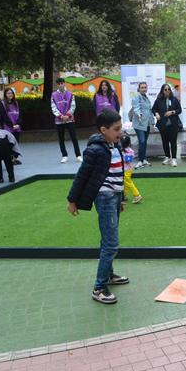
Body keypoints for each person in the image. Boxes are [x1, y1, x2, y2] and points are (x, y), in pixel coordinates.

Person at [67, 110, 129, 304]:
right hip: (104, 198)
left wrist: (122, 199)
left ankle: (109, 274)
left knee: (107, 239)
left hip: (115, 197)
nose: (120, 133)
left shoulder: (114, 144)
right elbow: (82, 175)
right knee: (111, 243)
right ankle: (99, 287)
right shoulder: (95, 150)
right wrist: (72, 200)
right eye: (116, 129)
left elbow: (118, 174)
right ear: (103, 130)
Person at [51, 78, 82, 163]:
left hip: (70, 120)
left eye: (62, 83)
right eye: (59, 83)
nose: (61, 85)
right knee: (61, 139)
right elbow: (53, 107)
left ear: (64, 83)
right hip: (59, 120)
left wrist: (67, 116)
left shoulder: (70, 94)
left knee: (74, 138)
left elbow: (73, 106)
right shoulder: (53, 95)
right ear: (57, 85)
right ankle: (64, 156)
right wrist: (61, 116)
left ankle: (78, 155)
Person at [152, 83, 182, 167]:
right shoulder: (158, 100)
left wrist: (172, 112)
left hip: (173, 124)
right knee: (165, 142)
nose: (167, 91)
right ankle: (167, 157)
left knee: (173, 141)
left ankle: (174, 159)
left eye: (168, 89)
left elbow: (179, 110)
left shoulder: (174, 99)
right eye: (165, 89)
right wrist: (156, 114)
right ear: (162, 90)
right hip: (162, 124)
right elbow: (153, 109)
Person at [131, 82, 152, 168]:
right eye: (142, 87)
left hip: (146, 124)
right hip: (139, 124)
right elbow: (136, 107)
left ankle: (143, 159)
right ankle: (140, 161)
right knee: (142, 141)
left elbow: (149, 111)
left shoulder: (147, 98)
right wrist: (139, 114)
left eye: (145, 87)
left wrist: (152, 123)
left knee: (144, 142)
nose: (143, 89)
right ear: (139, 89)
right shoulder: (137, 97)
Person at [120, 134, 143, 204]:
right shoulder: (126, 150)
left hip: (127, 170)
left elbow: (128, 160)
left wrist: (122, 157)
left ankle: (137, 195)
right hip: (126, 169)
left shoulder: (128, 151)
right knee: (124, 182)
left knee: (128, 182)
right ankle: (123, 196)